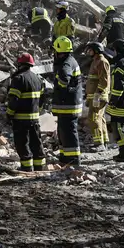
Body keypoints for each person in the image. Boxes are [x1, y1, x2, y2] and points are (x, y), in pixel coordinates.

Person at [6, 52, 46, 172]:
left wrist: (9, 114)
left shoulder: (18, 79)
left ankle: (27, 167)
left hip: (21, 119)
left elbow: (13, 100)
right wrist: (37, 112)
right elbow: (42, 100)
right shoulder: (38, 79)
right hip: (35, 119)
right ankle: (39, 167)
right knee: (36, 143)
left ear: (20, 64)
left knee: (22, 143)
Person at [51, 35, 83, 167]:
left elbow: (64, 80)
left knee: (68, 132)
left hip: (68, 104)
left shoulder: (66, 64)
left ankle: (73, 159)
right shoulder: (70, 60)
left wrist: (58, 88)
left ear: (59, 51)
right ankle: (65, 156)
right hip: (69, 103)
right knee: (63, 131)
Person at [82, 42, 111, 148]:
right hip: (94, 95)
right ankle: (105, 141)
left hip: (98, 96)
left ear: (96, 50)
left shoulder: (102, 61)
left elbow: (104, 81)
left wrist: (97, 95)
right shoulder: (96, 61)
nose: (88, 52)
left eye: (90, 50)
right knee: (99, 117)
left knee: (93, 118)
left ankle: (99, 143)